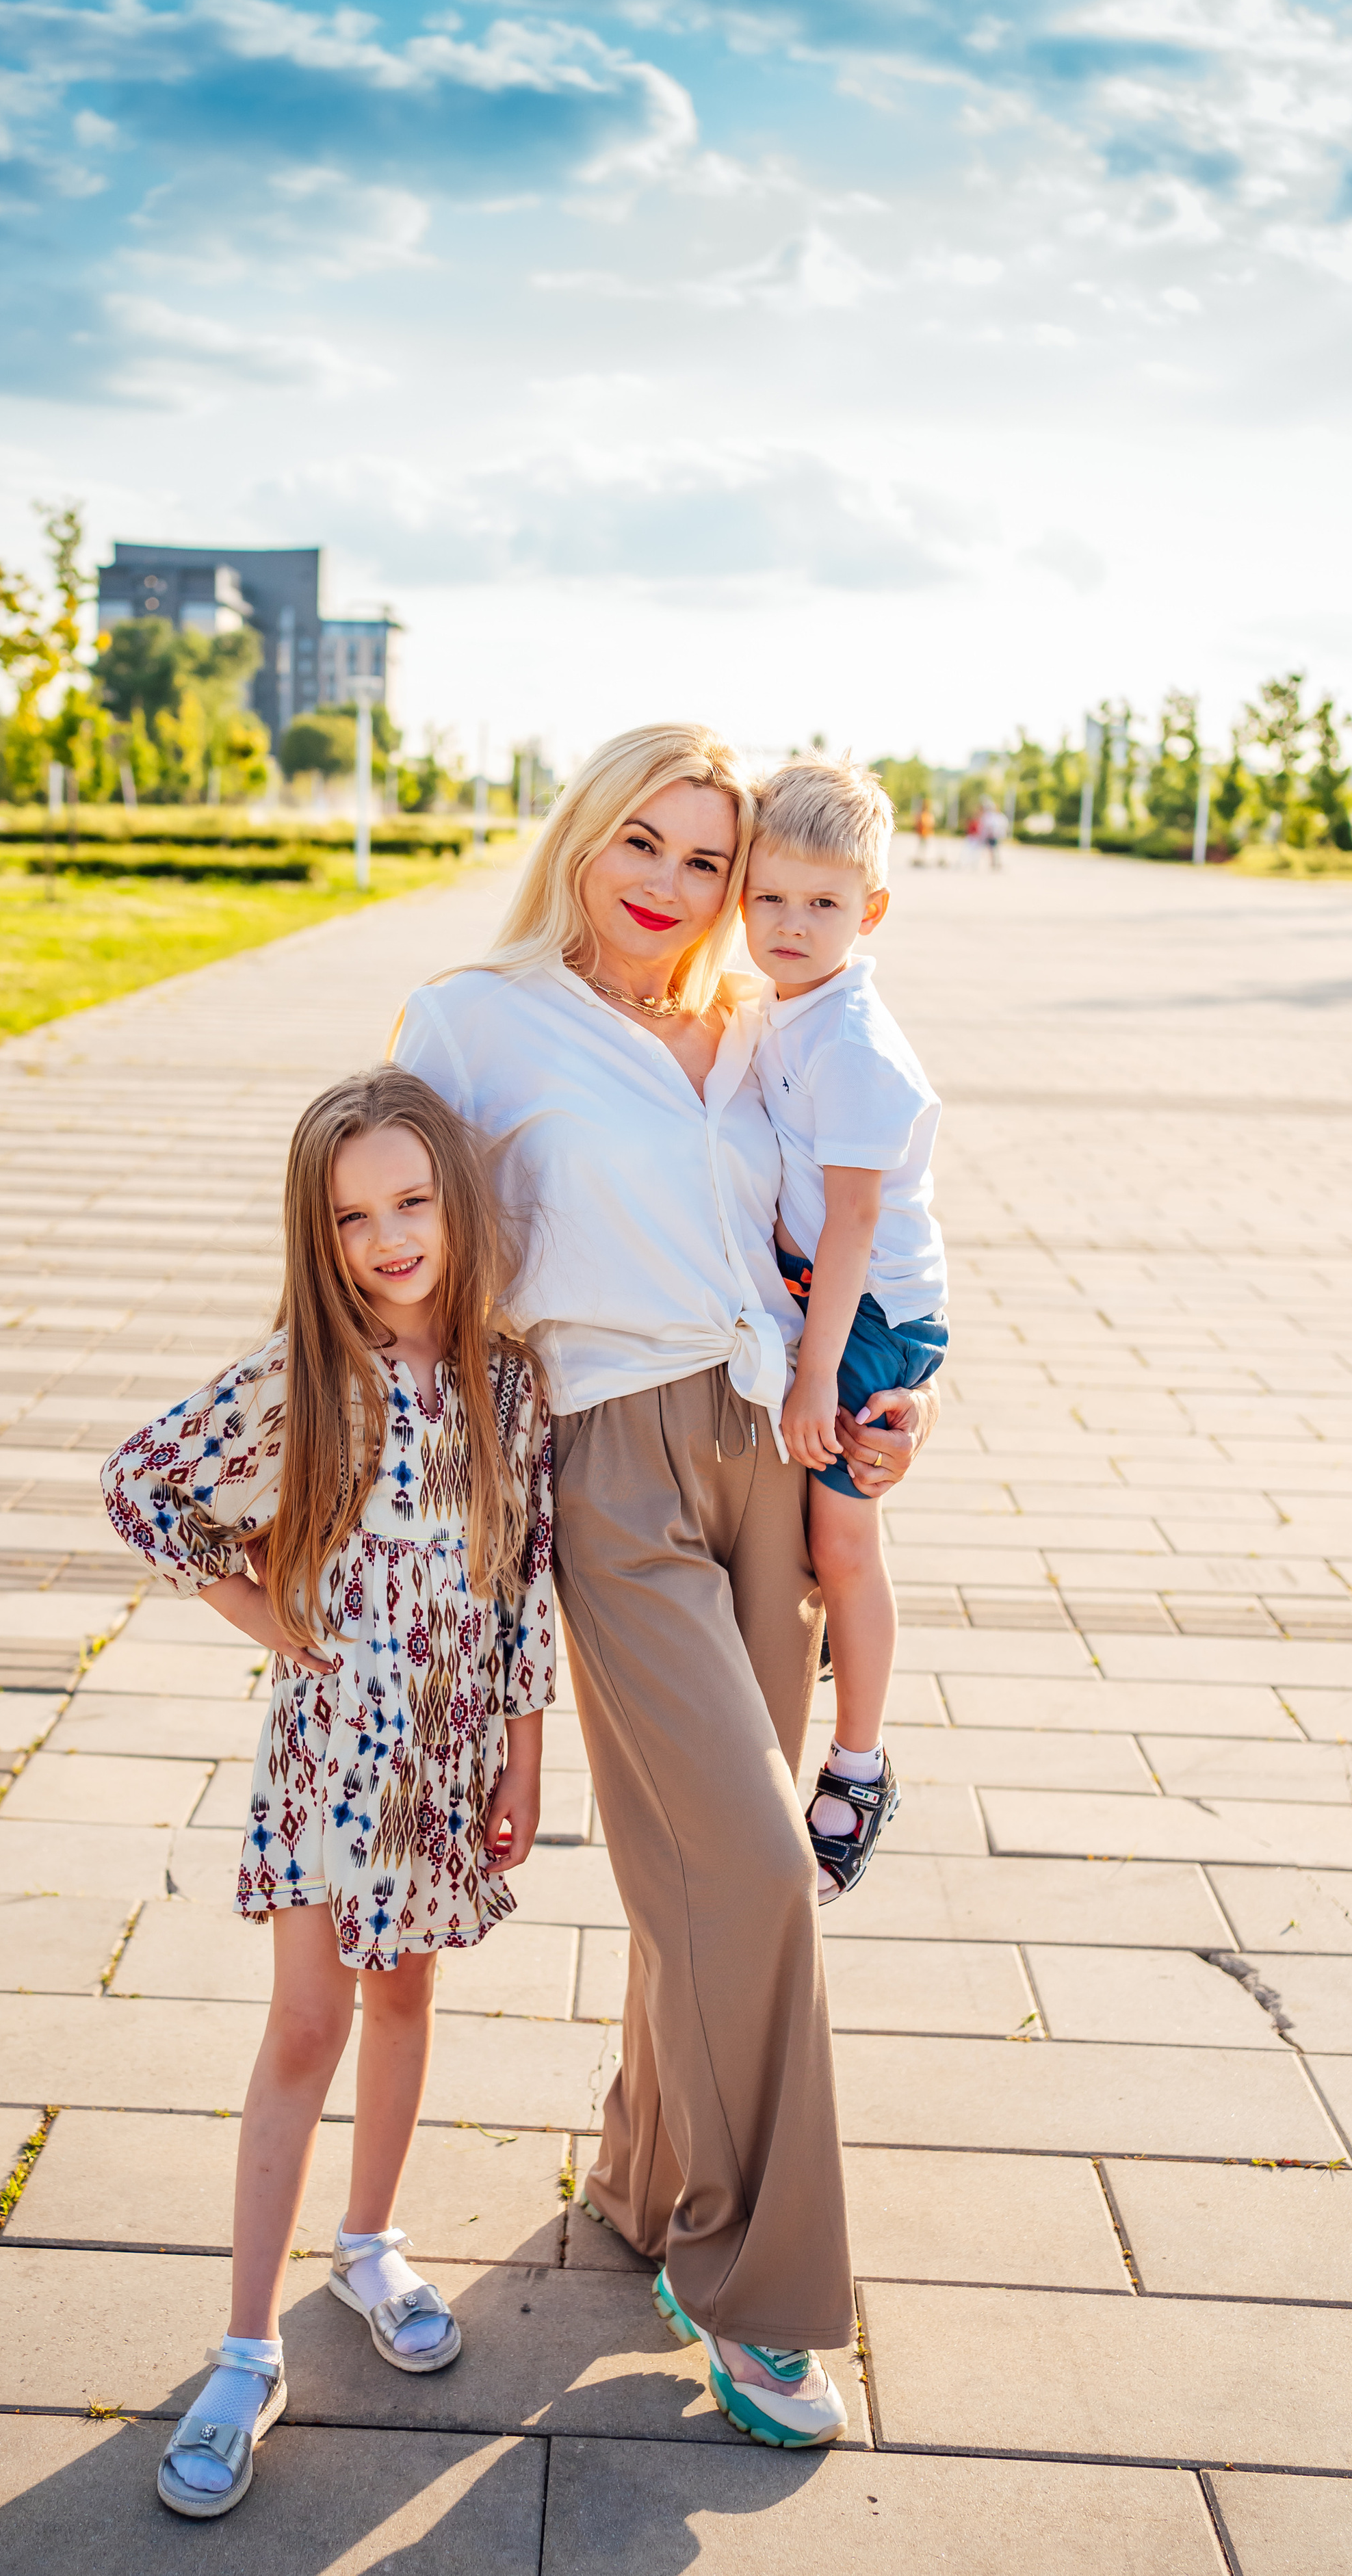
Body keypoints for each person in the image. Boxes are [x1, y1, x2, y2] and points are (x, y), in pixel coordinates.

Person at [391, 723, 937, 2450]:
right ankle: (760, 2293)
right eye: (644, 840)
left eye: (706, 860)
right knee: (753, 1871)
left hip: (771, 1451)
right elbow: (403, 1267)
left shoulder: (758, 1020)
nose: (671, 885)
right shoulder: (471, 1019)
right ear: (581, 829)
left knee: (706, 1864)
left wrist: (880, 1403)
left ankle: (643, 2172)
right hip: (612, 1456)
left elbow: (836, 1237)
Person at [101, 1069, 554, 2520]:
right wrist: (259, 1616)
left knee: (407, 2002)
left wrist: (524, 1750)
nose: (388, 1237)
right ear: (322, 1230)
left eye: (411, 1201)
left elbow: (523, 1577)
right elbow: (138, 1486)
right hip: (327, 1754)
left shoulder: (505, 1380)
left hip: (444, 1751)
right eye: (354, 1215)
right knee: (306, 2024)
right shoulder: (301, 1376)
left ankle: (368, 2245)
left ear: (454, 1205)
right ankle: (245, 2348)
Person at [740, 759, 948, 1905]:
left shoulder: (853, 1043)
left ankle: (860, 1765)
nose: (792, 923)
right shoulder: (792, 1010)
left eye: (823, 903)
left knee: (845, 1544)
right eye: (771, 897)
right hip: (823, 1286)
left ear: (870, 912)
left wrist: (818, 1376)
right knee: (821, 1536)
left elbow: (859, 1221)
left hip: (863, 1312)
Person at [911, 794, 935, 866]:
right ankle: (921, 859)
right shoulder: (922, 815)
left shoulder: (926, 815)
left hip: (926, 834)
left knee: (925, 847)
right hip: (923, 833)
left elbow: (931, 823)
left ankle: (924, 859)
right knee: (922, 847)